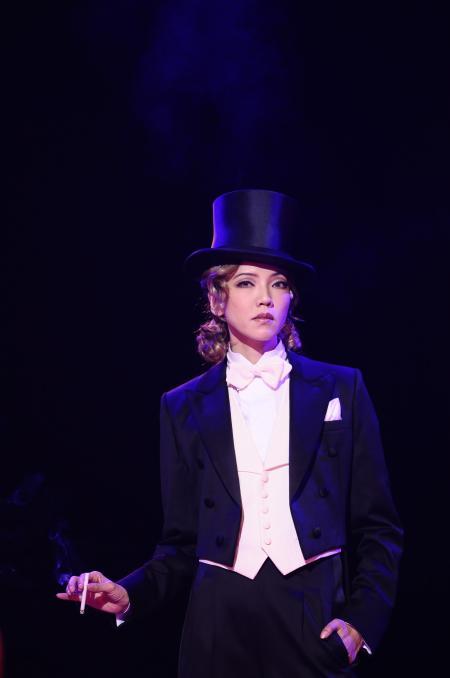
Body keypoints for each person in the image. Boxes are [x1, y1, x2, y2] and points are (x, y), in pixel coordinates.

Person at [57, 189, 403, 677]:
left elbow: (379, 527)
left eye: (279, 284)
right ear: (217, 299)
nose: (265, 298)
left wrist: (362, 623)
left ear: (291, 298)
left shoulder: (341, 388)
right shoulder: (182, 406)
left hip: (315, 621)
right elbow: (180, 546)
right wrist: (128, 593)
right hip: (217, 627)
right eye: (246, 283)